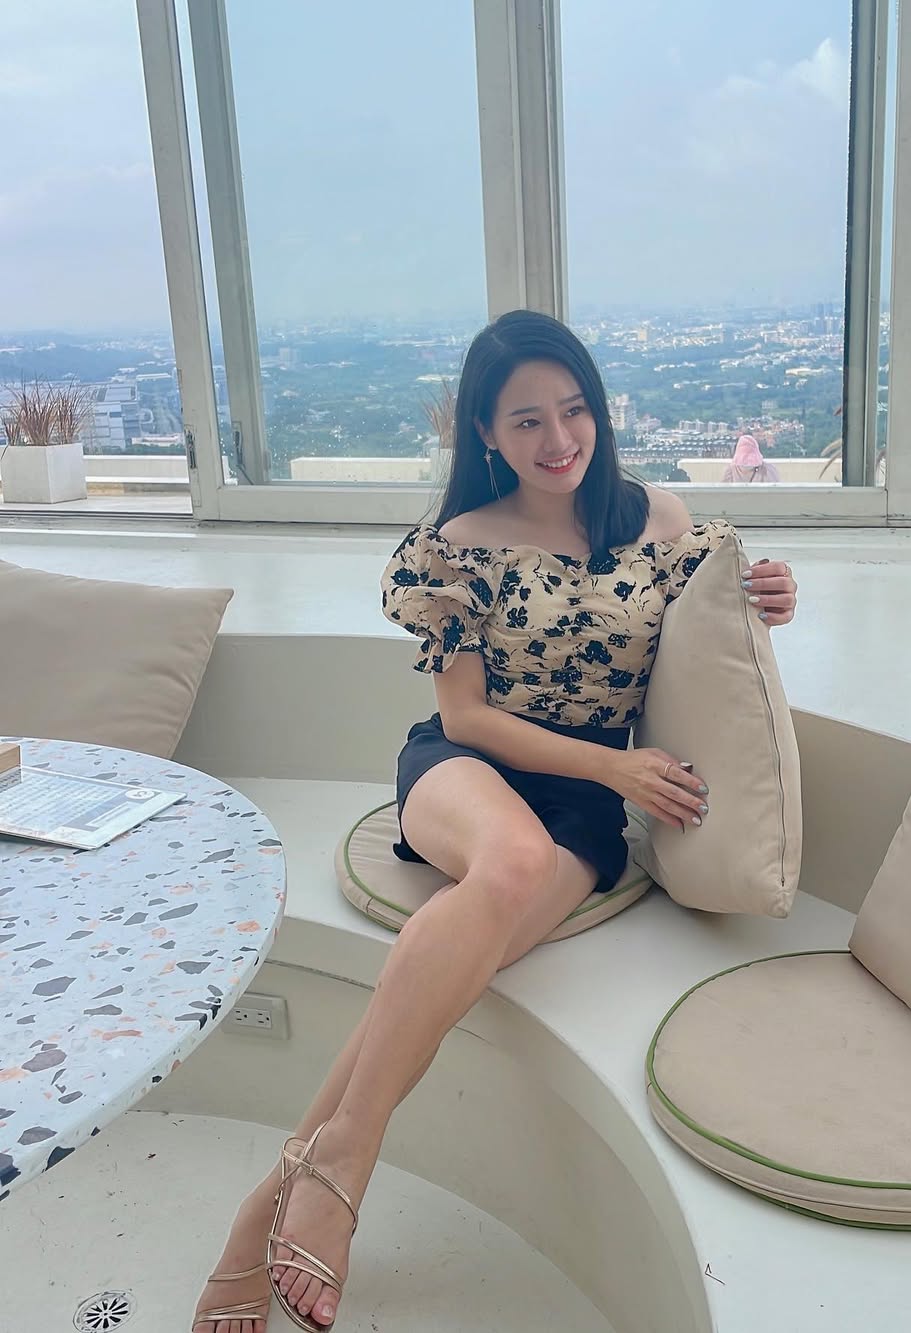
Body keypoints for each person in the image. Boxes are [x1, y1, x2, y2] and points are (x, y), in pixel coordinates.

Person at [192, 309, 797, 1332]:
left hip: (584, 805)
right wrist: (617, 764)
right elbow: (468, 716)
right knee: (509, 862)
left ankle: (280, 1192)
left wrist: (770, 594)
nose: (558, 438)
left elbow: (710, 625)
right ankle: (347, 1164)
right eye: (526, 420)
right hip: (466, 766)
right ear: (484, 432)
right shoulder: (457, 548)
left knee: (464, 938)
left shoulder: (660, 519)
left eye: (574, 409)